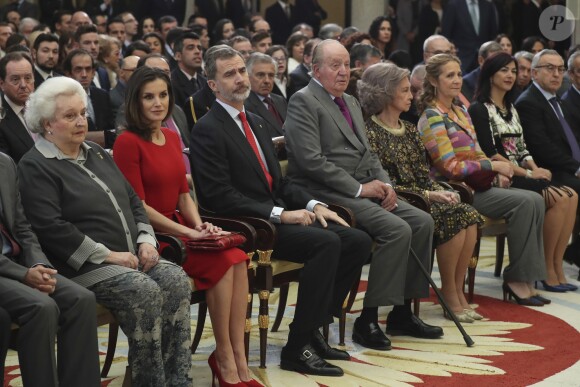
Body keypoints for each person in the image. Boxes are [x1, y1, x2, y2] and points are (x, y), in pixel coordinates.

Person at [189, 44, 371, 377]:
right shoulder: (207, 129)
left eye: (241, 70)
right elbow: (220, 197)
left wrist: (317, 205)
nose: (240, 78)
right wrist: (280, 214)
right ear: (213, 85)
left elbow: (280, 183)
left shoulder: (257, 121)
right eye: (229, 73)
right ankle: (297, 346)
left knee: (356, 239)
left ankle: (314, 330)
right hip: (248, 226)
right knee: (326, 243)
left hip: (273, 216)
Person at [17, 76, 192, 386]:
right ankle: (148, 382)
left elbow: (134, 203)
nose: (80, 121)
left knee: (176, 279)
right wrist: (109, 256)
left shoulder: (96, 153)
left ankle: (177, 380)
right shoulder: (36, 165)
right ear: (46, 124)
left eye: (82, 113)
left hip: (133, 258)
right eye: (69, 116)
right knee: (145, 290)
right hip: (84, 269)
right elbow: (50, 227)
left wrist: (147, 241)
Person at [284, 39, 443, 350]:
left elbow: (369, 155)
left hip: (364, 188)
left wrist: (386, 186)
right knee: (396, 229)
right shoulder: (304, 101)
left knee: (422, 221)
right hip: (329, 192)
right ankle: (368, 318)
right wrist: (359, 188)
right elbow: (310, 161)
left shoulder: (351, 102)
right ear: (316, 70)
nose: (344, 71)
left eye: (346, 64)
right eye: (335, 65)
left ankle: (401, 312)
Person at [112, 66, 257, 386]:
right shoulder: (127, 142)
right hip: (152, 235)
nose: (157, 103)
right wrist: (189, 233)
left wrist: (200, 225)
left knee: (238, 258)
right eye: (148, 97)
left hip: (178, 227)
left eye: (163, 95)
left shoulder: (173, 136)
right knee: (225, 261)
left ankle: (235, 354)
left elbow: (183, 194)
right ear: (135, 101)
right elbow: (138, 207)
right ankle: (224, 356)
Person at [417, 53, 548, 306]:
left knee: (536, 199)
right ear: (433, 80)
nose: (457, 80)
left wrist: (495, 170)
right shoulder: (432, 116)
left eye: (458, 74)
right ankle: (516, 279)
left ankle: (526, 278)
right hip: (454, 191)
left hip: (477, 185)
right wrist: (492, 164)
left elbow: (476, 151)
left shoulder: (460, 110)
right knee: (526, 202)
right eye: (449, 76)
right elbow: (449, 167)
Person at [360, 62, 483, 322]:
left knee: (467, 212)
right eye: (405, 91)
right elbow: (386, 183)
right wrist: (430, 196)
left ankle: (456, 292)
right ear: (385, 94)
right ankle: (448, 295)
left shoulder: (411, 130)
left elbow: (422, 176)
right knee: (453, 216)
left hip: (420, 196)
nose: (412, 95)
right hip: (394, 201)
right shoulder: (369, 132)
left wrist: (440, 190)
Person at [469, 51, 578, 292]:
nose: (511, 75)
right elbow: (492, 153)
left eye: (513, 71)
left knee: (571, 196)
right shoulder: (480, 109)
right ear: (490, 74)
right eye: (504, 70)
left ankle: (556, 266)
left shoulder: (511, 107)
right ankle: (545, 270)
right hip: (503, 178)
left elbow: (522, 148)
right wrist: (528, 174)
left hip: (520, 172)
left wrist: (535, 167)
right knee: (561, 197)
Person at [0, 151, 101, 387]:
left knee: (81, 299)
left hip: (18, 261)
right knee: (41, 307)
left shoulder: (5, 163)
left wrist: (38, 264)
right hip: (8, 270)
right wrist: (24, 274)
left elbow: (22, 227)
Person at [244, 52, 287, 137]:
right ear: (247, 76)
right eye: (260, 75)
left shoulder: (280, 100)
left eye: (271, 75)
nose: (267, 80)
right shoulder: (244, 105)